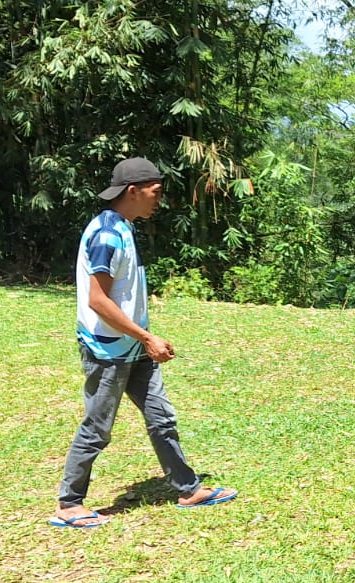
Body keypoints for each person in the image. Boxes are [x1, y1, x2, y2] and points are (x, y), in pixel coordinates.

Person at [50, 157, 237, 528]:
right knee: (98, 426)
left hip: (131, 347)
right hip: (107, 350)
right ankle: (69, 504)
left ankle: (188, 488)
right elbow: (97, 300)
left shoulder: (122, 227)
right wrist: (147, 336)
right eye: (155, 193)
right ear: (132, 192)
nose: (158, 200)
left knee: (161, 417)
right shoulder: (106, 234)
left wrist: (142, 339)